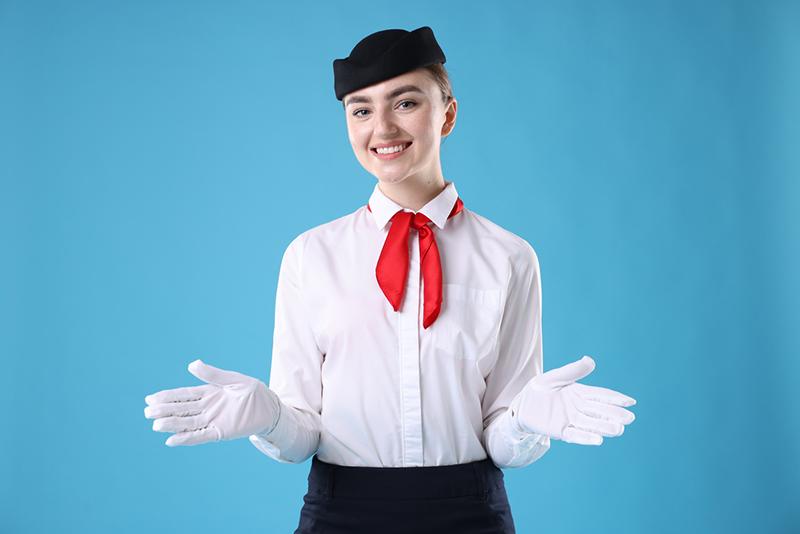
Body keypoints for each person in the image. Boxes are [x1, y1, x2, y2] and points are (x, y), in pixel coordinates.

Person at [143, 26, 637, 534]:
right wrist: (266, 416)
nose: (381, 128)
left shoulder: (510, 257)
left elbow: (502, 444)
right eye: (361, 110)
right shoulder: (310, 255)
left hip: (471, 514)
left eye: (405, 103)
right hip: (341, 512)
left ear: (447, 114)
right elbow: (300, 438)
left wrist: (529, 419)